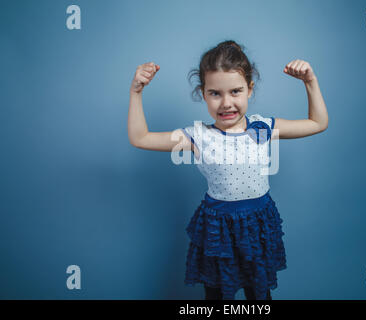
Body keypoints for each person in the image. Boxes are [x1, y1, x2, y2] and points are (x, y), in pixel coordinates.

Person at [128, 40, 328, 300]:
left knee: (260, 296)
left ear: (249, 89)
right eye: (215, 93)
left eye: (235, 91)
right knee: (217, 297)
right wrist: (136, 92)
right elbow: (140, 138)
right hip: (218, 229)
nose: (226, 103)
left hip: (257, 225)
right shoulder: (198, 136)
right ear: (203, 93)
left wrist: (310, 81)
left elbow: (318, 122)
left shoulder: (262, 128)